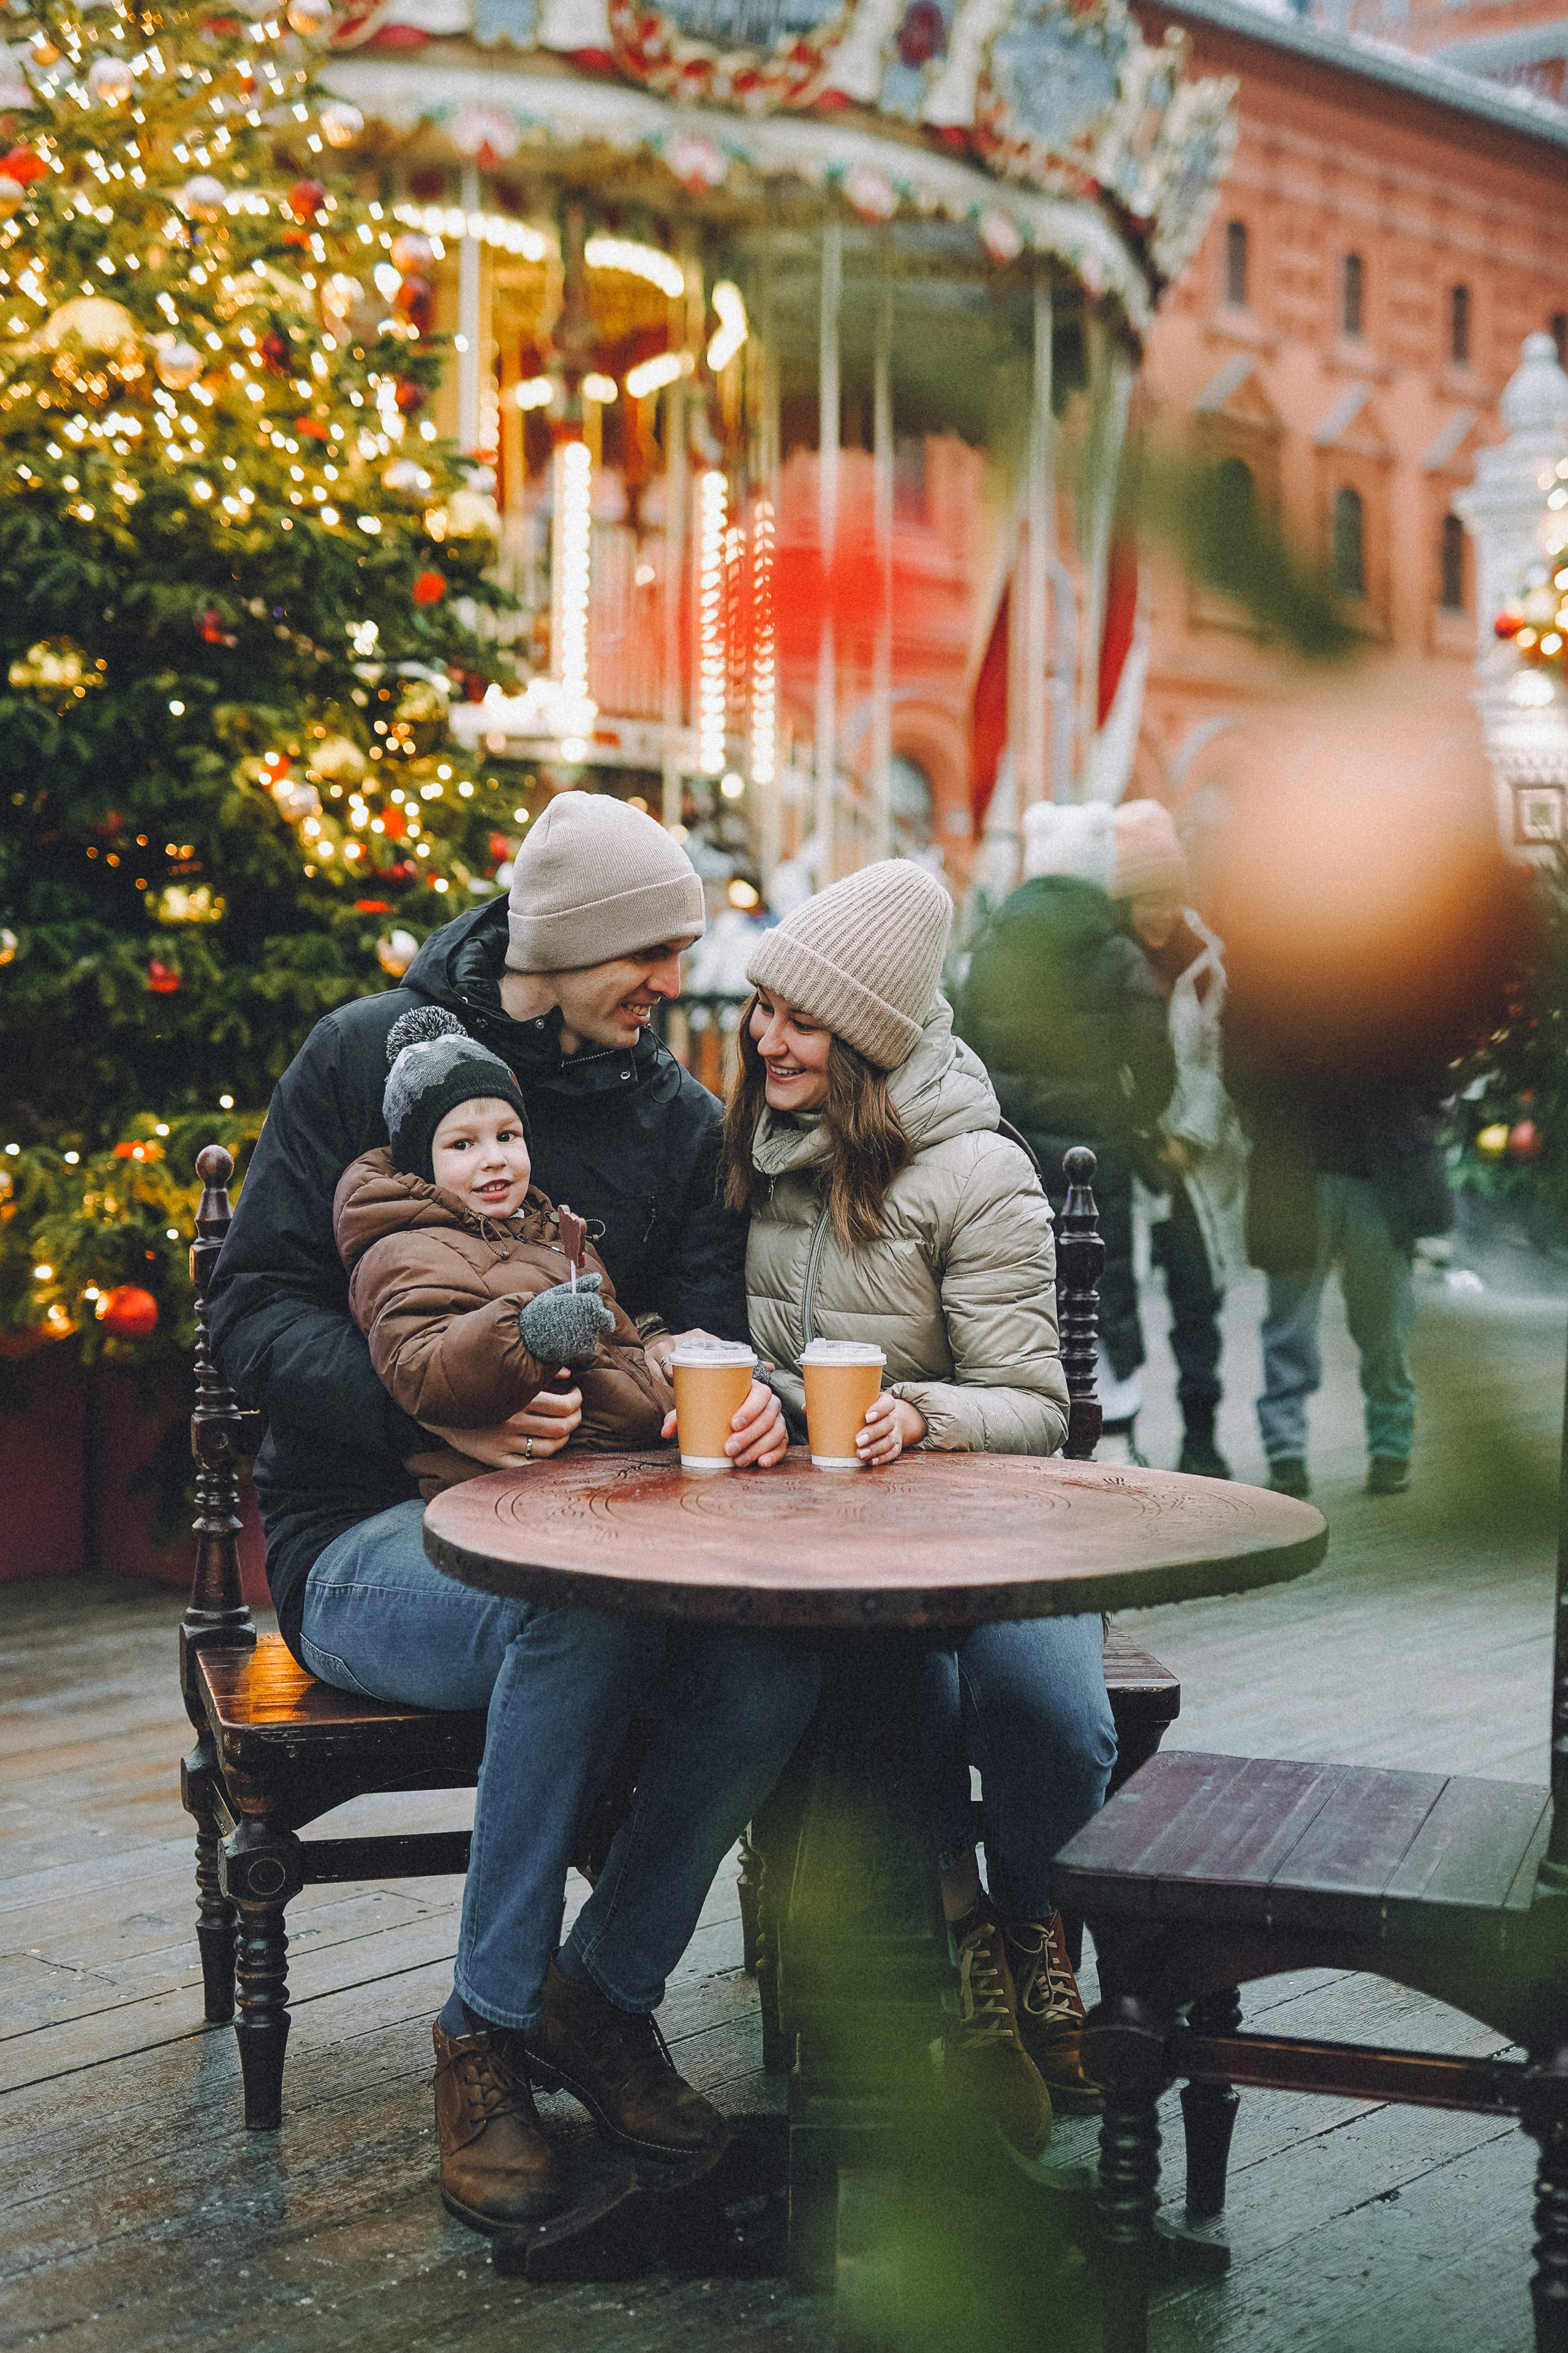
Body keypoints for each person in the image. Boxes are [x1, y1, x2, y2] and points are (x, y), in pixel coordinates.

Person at [209, 791, 818, 2238]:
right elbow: (250, 1308)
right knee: (579, 1620)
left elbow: (708, 1316)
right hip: (370, 1534)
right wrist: (428, 1409)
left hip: (613, 1527)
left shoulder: (671, 1119)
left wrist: (733, 1389)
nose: (672, 978)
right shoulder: (365, 1053)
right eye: (650, 951)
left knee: (772, 1653)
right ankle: (481, 2030)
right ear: (568, 943)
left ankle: (595, 1995)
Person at [723, 857, 1117, 2154]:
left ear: (870, 1037)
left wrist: (922, 1412)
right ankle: (965, 1948)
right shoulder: (767, 1159)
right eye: (761, 1008)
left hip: (1001, 1534)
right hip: (846, 1549)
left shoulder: (978, 1175)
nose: (765, 1037)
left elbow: (1035, 1407)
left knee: (1045, 1717)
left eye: (797, 1017)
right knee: (889, 1696)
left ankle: (1033, 1925)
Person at [336, 1004, 673, 1487]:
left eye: (507, 1135)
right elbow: (420, 1364)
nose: (494, 1159)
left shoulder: (550, 1231)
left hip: (616, 1465)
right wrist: (527, 1334)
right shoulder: (402, 1250)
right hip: (506, 1487)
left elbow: (620, 1359)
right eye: (462, 1145)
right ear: (420, 1161)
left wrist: (691, 1389)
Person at [957, 801, 1175, 1463]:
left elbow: (965, 1049)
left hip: (1010, 1155)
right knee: (1103, 1286)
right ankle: (1110, 1435)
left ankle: (1027, 1430)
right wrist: (1131, 1117)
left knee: (1020, 1286)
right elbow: (1156, 1068)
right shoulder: (1118, 953)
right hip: (1096, 1159)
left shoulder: (990, 950)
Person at [1226, 1021, 1452, 1500]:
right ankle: (1297, 1452)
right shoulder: (1288, 972)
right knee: (1296, 1323)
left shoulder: (1400, 970)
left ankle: (1377, 1448)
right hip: (1301, 1168)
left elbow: (1438, 1055)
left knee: (1381, 1324)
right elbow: (1244, 1053)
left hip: (1377, 1169)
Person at [1109, 800, 1248, 1479]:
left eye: (1168, 895)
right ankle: (1122, 1432)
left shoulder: (1207, 965)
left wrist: (1189, 1139)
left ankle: (1201, 1437)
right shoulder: (1108, 964)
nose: (1158, 912)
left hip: (1191, 1166)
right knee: (1119, 1301)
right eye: (1144, 898)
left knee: (1197, 1302)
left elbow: (1218, 1061)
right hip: (1127, 1159)